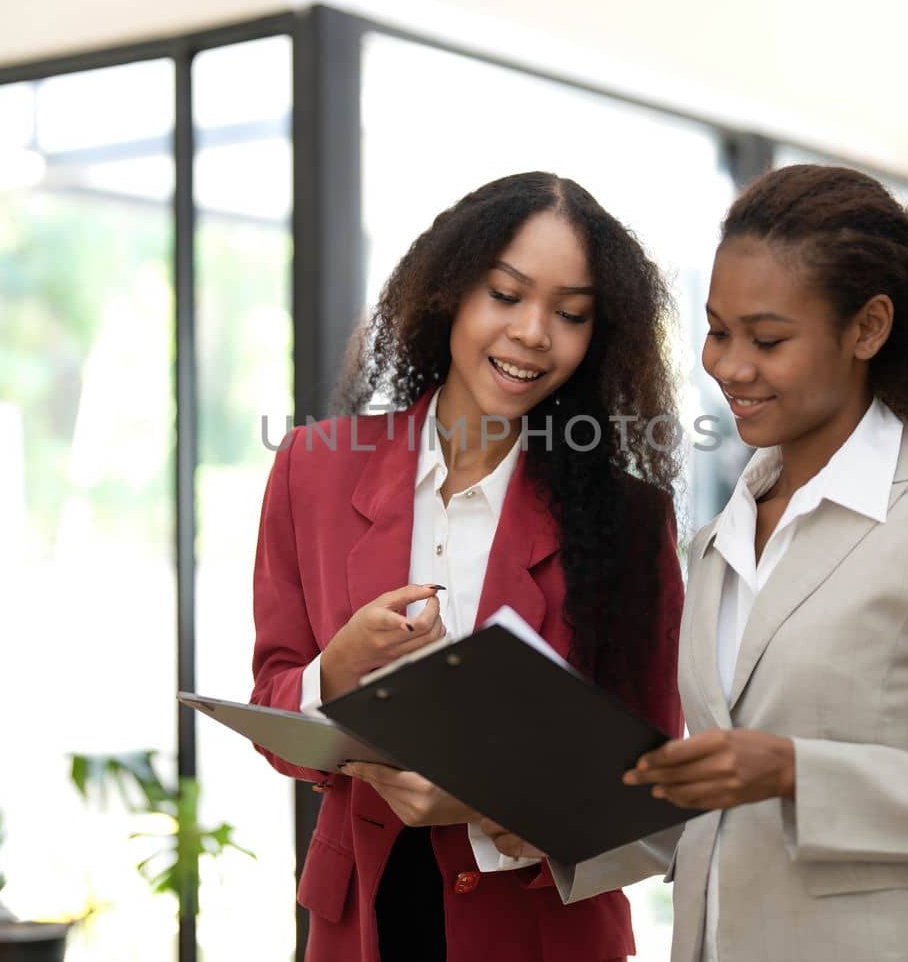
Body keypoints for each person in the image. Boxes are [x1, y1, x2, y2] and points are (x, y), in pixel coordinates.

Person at [488, 163, 908, 962]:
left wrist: (797, 771)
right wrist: (562, 824)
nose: (727, 365)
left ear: (868, 328)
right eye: (717, 330)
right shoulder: (720, 536)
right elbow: (720, 818)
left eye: (767, 339)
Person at [249, 171, 686, 962]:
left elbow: (652, 797)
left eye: (571, 313)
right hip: (364, 925)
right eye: (506, 294)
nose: (533, 333)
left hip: (542, 935)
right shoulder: (312, 470)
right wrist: (334, 673)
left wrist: (489, 804)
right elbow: (274, 707)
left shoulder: (628, 520)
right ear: (450, 290)